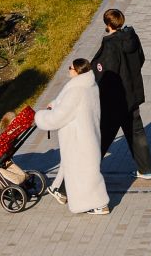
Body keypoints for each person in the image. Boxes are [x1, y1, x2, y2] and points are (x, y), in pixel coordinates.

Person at [36, 57, 109, 215]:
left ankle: (99, 204)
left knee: (84, 173)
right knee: (81, 169)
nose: (68, 69)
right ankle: (62, 192)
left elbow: (59, 117)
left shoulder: (76, 90)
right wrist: (55, 104)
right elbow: (71, 106)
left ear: (77, 71)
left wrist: (40, 117)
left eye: (70, 67)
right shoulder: (90, 85)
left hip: (77, 138)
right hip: (88, 135)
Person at [95, 7, 151, 179]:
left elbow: (105, 73)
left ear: (107, 24)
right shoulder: (132, 37)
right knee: (136, 132)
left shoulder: (110, 45)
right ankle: (146, 169)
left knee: (102, 138)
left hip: (115, 100)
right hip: (133, 94)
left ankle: (84, 173)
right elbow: (141, 58)